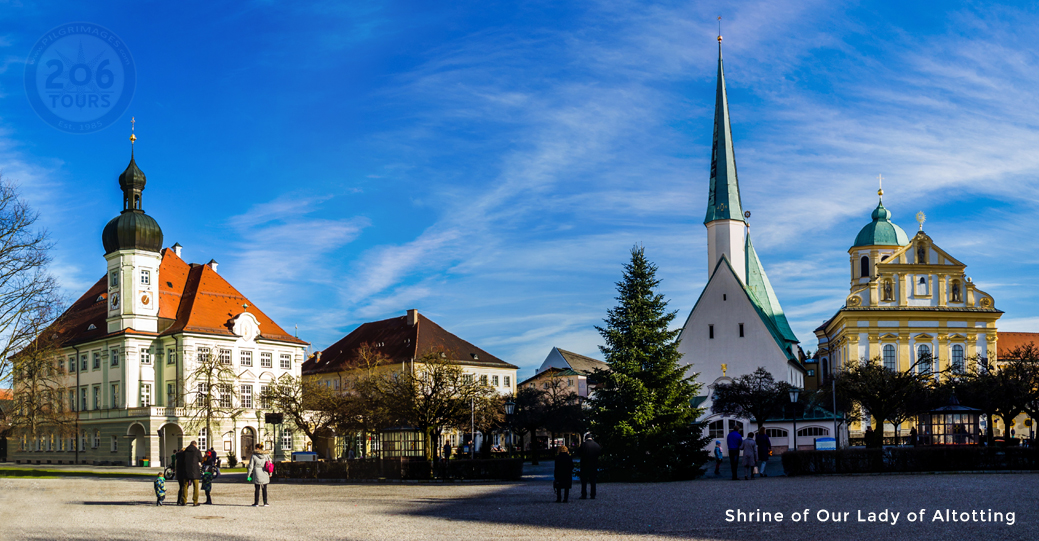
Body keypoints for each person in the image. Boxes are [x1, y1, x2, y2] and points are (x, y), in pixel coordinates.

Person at [577, 435, 601, 500]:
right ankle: (593, 494)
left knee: (584, 481)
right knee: (593, 480)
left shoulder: (584, 445)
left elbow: (579, 453)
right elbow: (599, 453)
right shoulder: (596, 445)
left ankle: (584, 494)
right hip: (594, 465)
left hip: (585, 464)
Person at [181, 440, 204, 506]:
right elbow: (201, 460)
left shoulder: (185, 451)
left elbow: (182, 460)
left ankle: (184, 500)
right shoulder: (197, 451)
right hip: (195, 471)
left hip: (186, 470)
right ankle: (195, 501)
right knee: (196, 487)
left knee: (185, 486)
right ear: (195, 445)